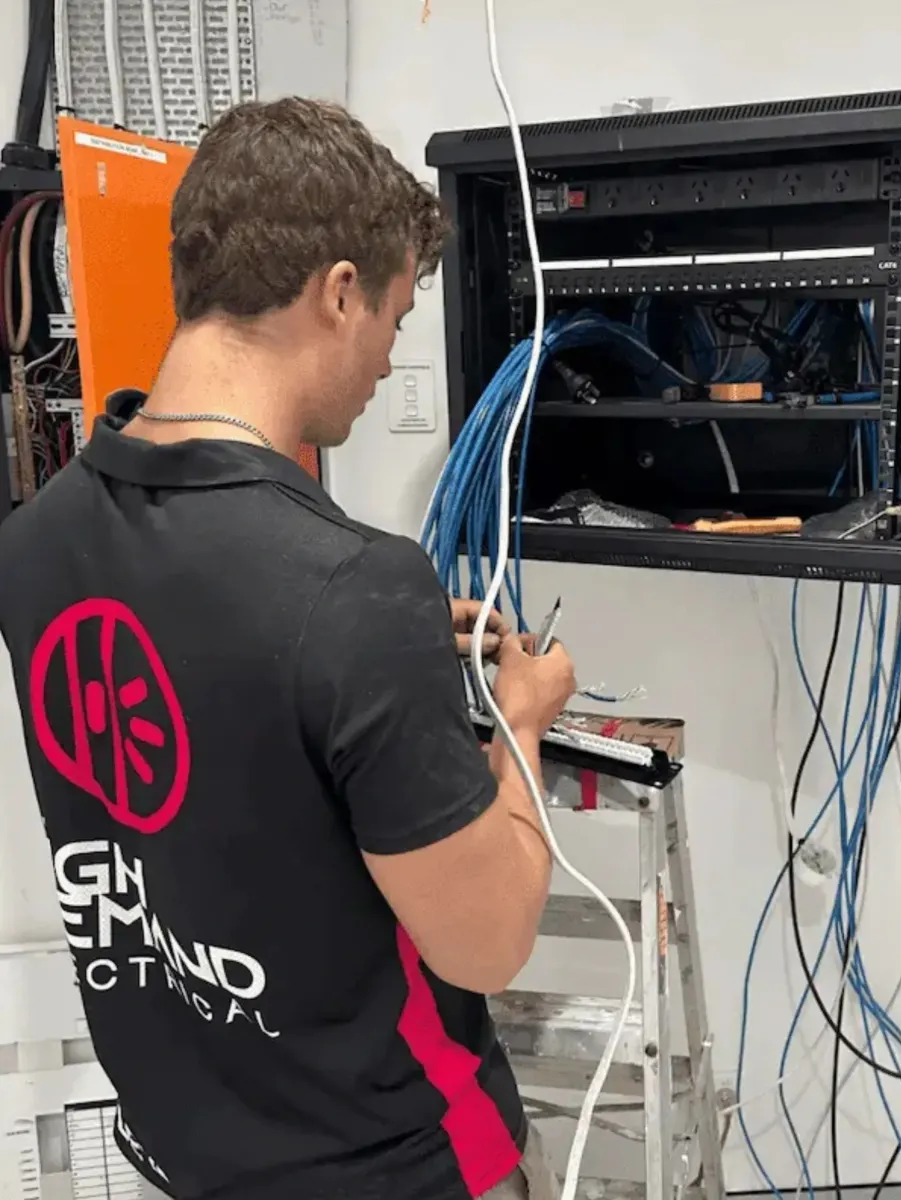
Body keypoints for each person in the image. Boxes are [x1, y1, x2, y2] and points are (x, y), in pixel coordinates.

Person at [0, 98, 576, 1200]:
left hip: (190, 1150)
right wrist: (523, 718)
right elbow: (489, 944)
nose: (387, 361)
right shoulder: (353, 590)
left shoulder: (33, 545)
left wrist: (379, 659)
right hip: (387, 1165)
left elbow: (226, 711)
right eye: (394, 318)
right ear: (340, 291)